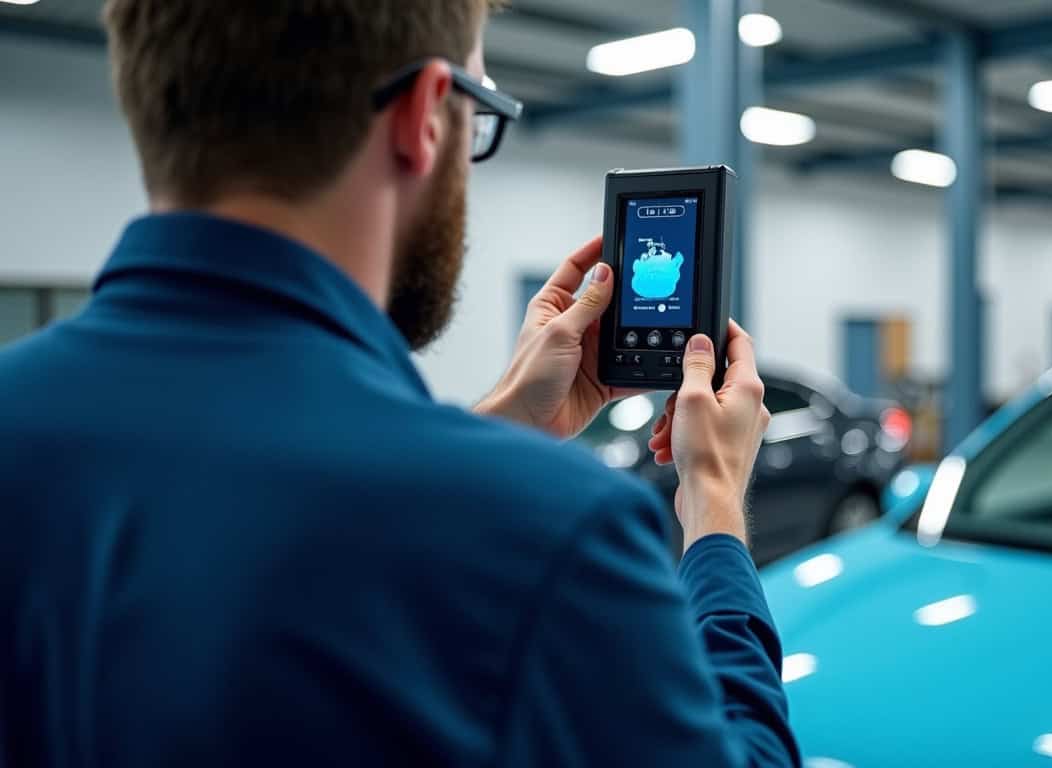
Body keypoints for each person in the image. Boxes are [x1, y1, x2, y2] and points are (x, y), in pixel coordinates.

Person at [0, 1, 800, 766]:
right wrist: (715, 504)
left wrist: (502, 429)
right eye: (477, 114)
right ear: (425, 114)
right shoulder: (552, 534)